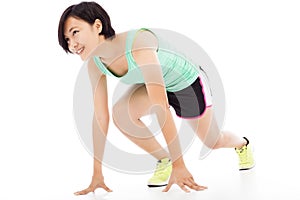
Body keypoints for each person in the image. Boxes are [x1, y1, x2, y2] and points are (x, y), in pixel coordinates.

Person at [58, 1, 255, 195]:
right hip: (154, 86)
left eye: (75, 32)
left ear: (98, 26)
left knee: (213, 141)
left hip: (186, 82)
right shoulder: (95, 64)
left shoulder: (137, 43)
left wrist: (181, 166)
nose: (72, 44)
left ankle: (243, 144)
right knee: (120, 113)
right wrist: (97, 174)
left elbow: (161, 106)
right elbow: (101, 117)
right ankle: (164, 159)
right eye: (67, 39)